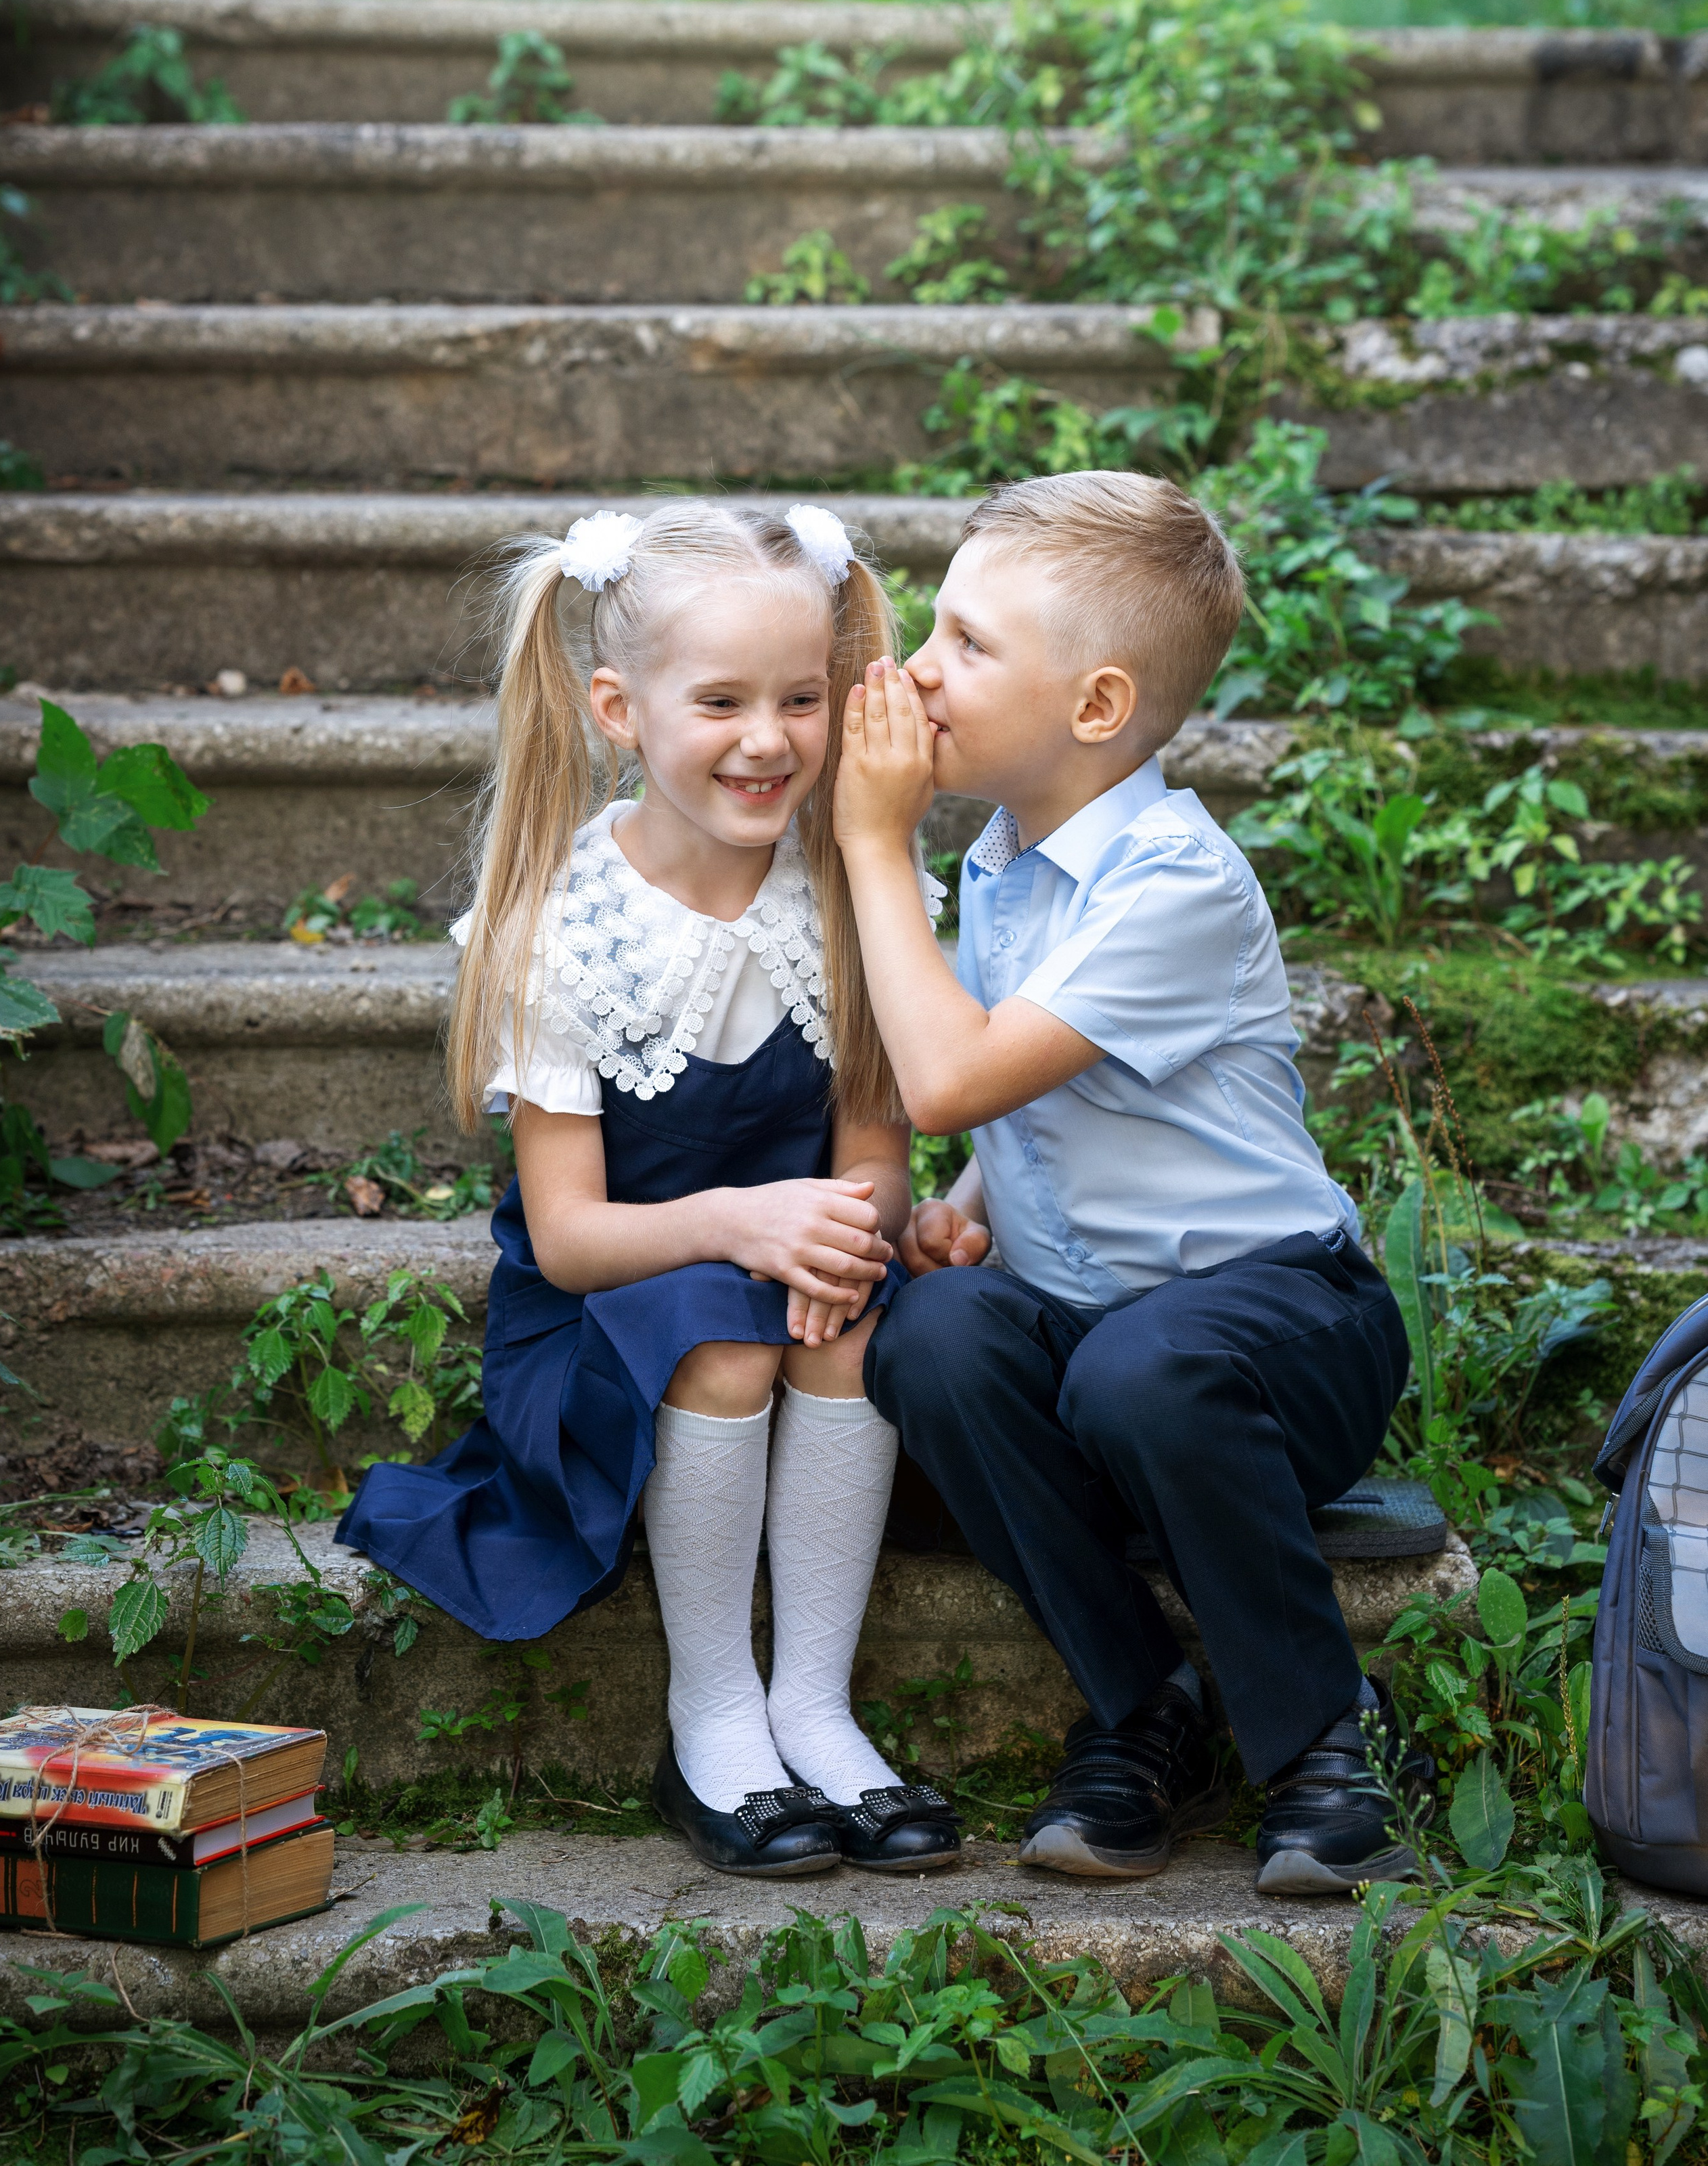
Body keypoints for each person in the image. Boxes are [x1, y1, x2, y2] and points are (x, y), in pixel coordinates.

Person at [832, 469, 1435, 1897]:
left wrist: (870, 840)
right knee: (930, 1338)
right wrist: (973, 1202)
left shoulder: (1175, 878)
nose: (917, 668)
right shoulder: (1004, 865)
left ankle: (1329, 1743)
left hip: (1285, 1337)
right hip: (1106, 1345)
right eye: (933, 628)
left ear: (1094, 708)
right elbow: (1033, 1092)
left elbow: (949, 1076)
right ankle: (1141, 1701)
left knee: (1139, 1369)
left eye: (966, 644)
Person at [337, 500, 958, 1879]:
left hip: (788, 1258)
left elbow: (872, 1137)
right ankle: (715, 1712)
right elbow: (566, 1239)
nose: (767, 739)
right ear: (619, 707)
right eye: (721, 700)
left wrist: (850, 1231)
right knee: (727, 1341)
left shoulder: (849, 883)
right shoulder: (566, 931)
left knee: (848, 1323)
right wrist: (746, 1224)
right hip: (612, 1303)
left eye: (800, 698)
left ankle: (814, 1700)